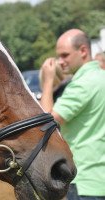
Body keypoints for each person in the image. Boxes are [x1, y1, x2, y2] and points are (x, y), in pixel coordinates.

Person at [40, 29, 105, 200]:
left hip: (85, 179)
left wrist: (47, 82)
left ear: (83, 51)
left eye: (65, 55)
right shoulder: (101, 77)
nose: (61, 61)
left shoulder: (83, 84)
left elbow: (47, 123)